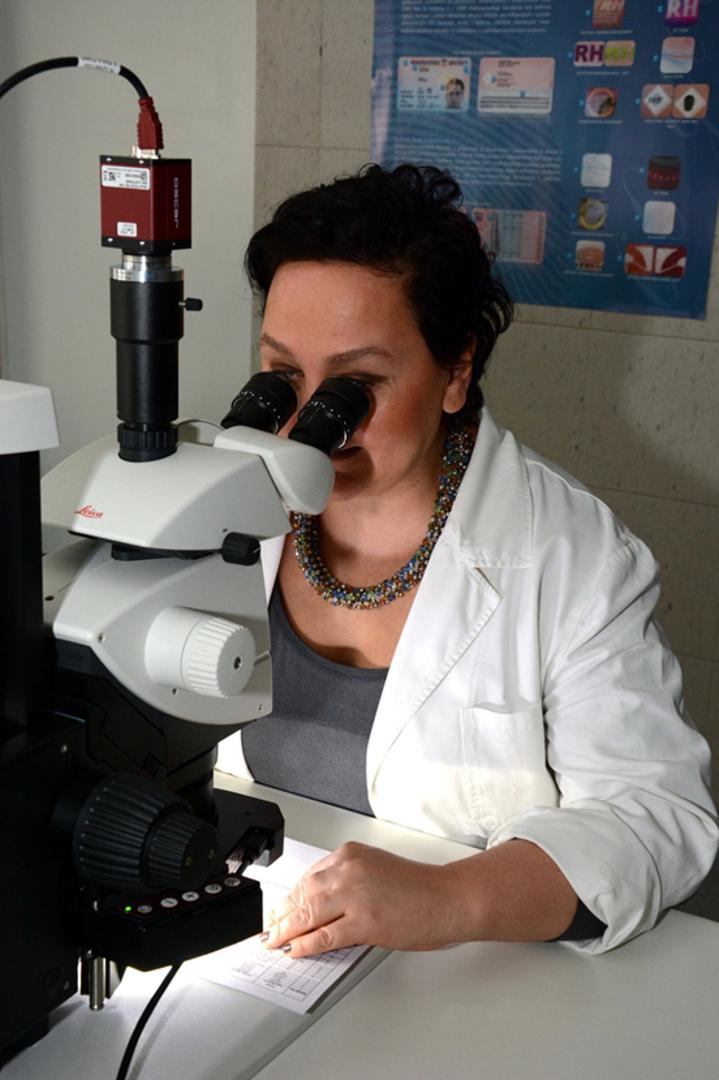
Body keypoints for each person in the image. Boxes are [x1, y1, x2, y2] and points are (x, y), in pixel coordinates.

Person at [216, 163, 717, 957]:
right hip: (260, 946)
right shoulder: (216, 504)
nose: (312, 418)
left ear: (454, 371)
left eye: (355, 384)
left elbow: (654, 818)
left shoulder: (574, 556)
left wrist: (450, 897)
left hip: (471, 976)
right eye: (283, 375)